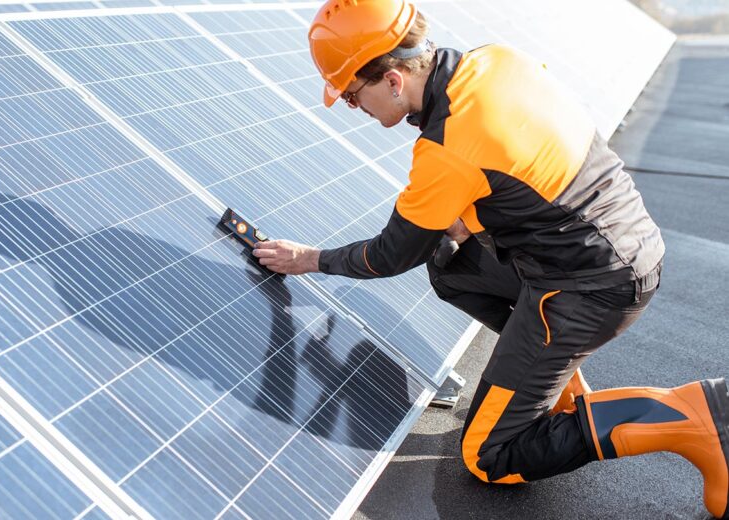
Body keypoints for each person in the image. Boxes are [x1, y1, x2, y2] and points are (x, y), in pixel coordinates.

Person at [250, 0, 729, 517]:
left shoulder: (445, 147)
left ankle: (690, 414)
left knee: (489, 455)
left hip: (591, 286)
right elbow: (529, 158)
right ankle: (550, 385)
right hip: (624, 243)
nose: (352, 106)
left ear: (391, 81)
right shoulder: (496, 61)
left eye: (349, 94)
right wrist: (476, 213)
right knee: (451, 263)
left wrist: (310, 259)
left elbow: (390, 255)